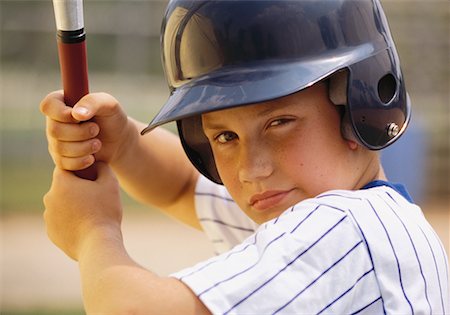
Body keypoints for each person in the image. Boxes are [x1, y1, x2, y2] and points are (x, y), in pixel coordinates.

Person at [40, 0, 449, 314]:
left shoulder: (343, 228)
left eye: (279, 123)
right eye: (225, 136)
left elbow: (133, 310)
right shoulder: (346, 214)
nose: (252, 169)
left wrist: (93, 231)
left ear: (361, 106)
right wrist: (122, 142)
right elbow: (182, 188)